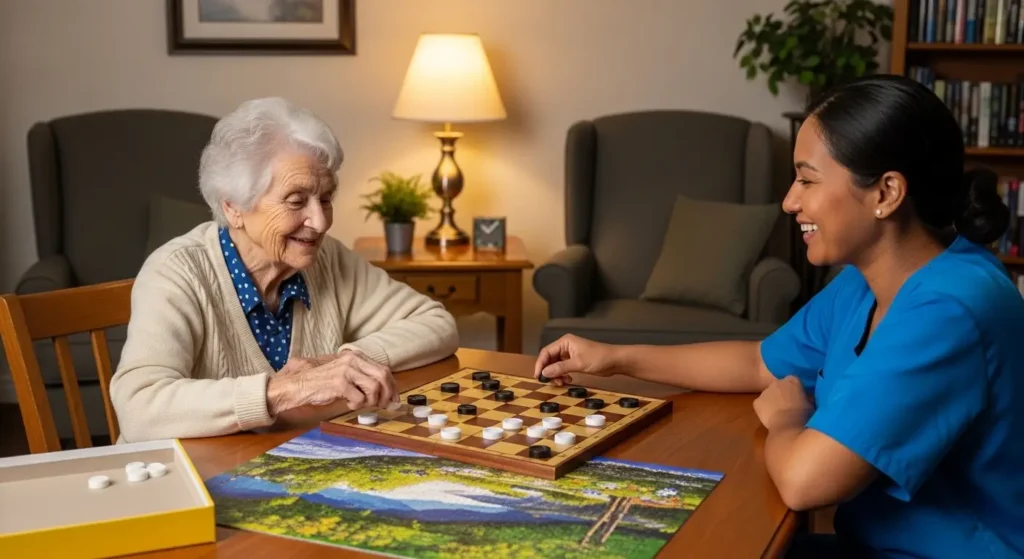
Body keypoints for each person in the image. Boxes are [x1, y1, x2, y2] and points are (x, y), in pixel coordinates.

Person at [533, 75, 1024, 558]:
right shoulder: (868, 277)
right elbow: (758, 364)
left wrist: (789, 419)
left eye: (807, 179)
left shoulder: (948, 309)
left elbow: (805, 483)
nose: (790, 201)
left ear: (886, 193)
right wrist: (616, 356)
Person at [110, 97, 459, 443]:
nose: (320, 222)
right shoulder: (177, 273)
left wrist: (347, 361)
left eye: (325, 198)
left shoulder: (327, 260)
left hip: (284, 468)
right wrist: (289, 389)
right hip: (183, 482)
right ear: (233, 207)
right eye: (296, 201)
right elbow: (139, 408)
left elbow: (437, 324)